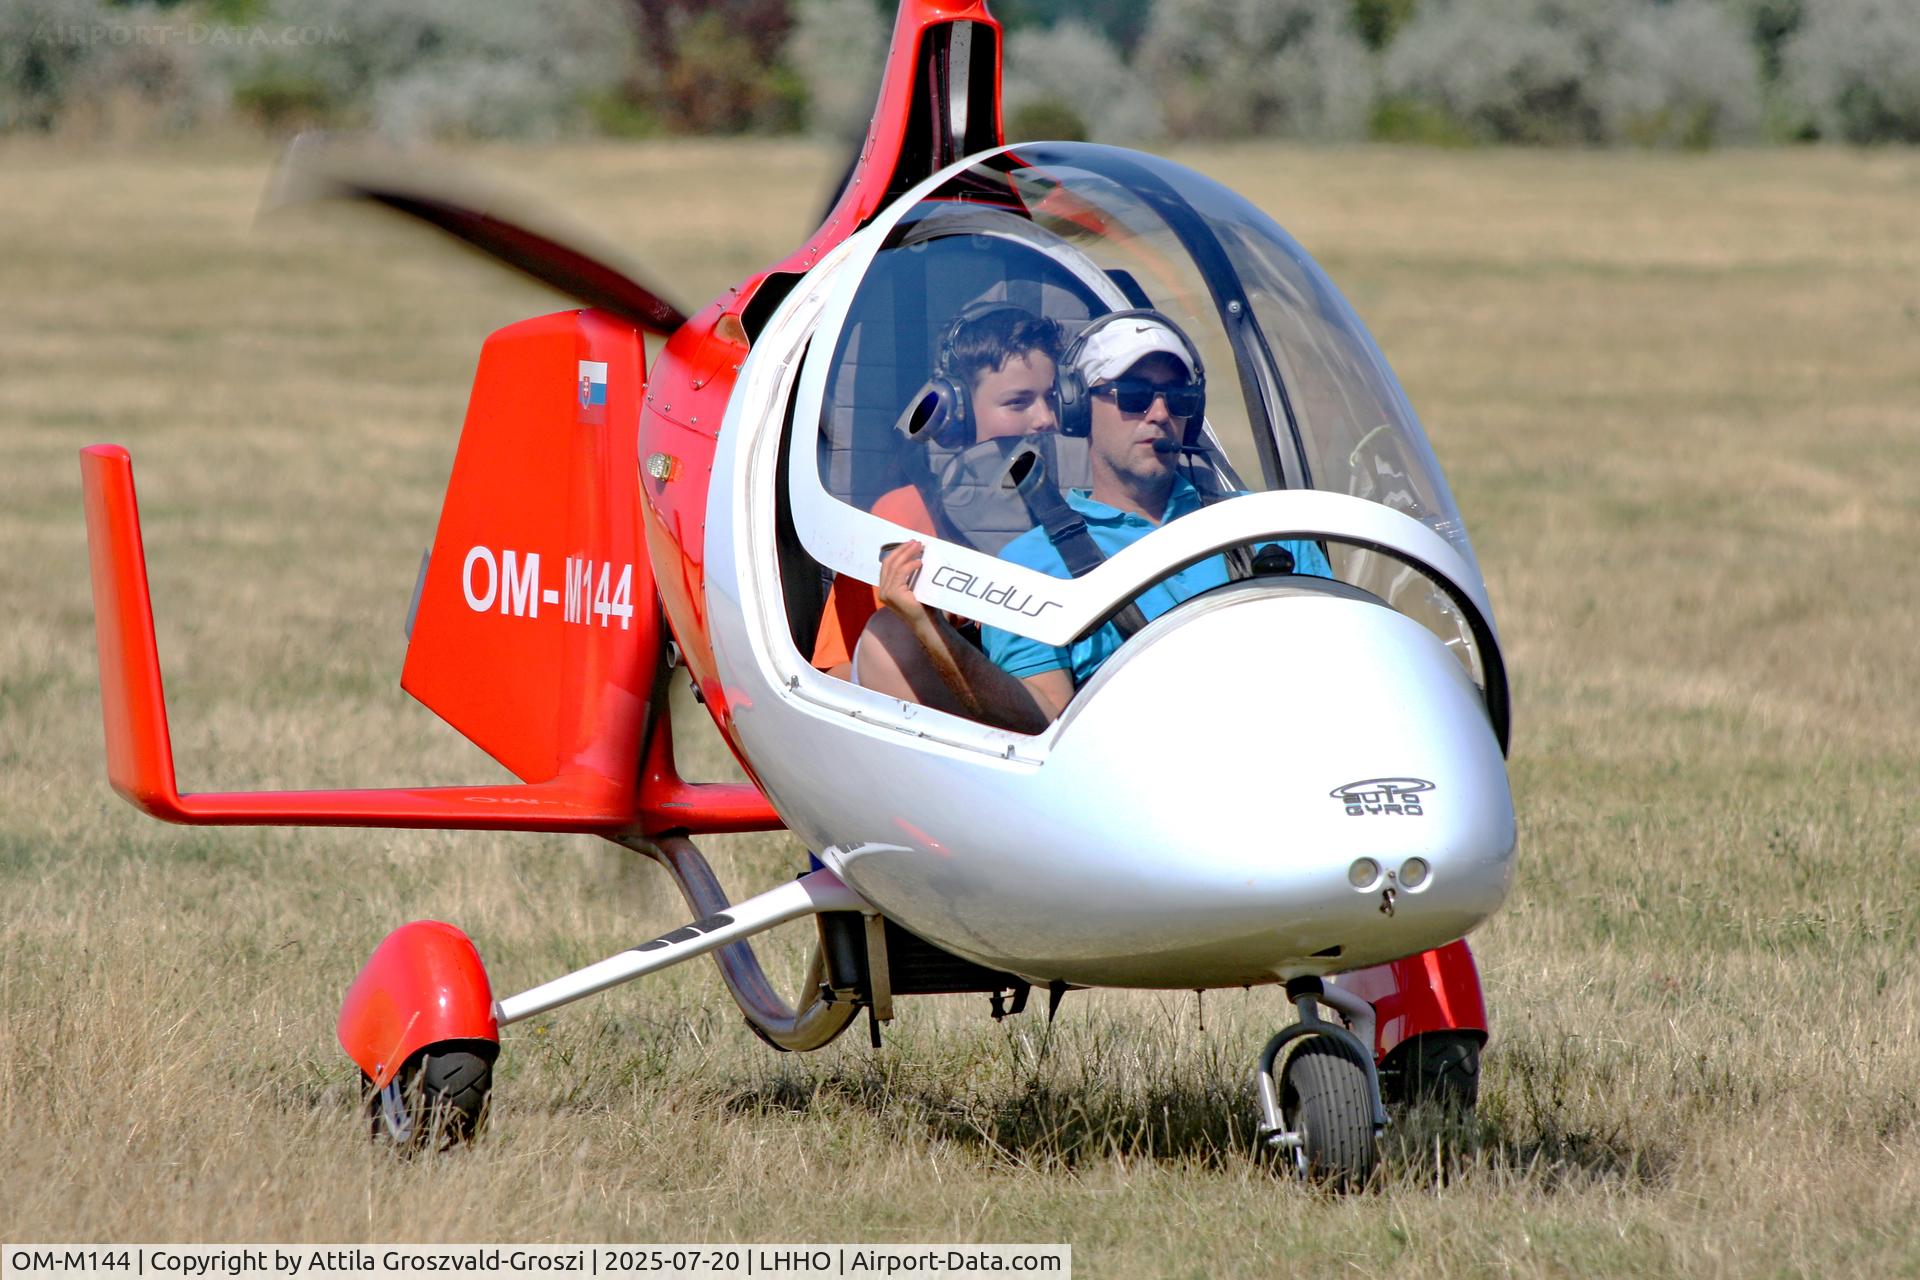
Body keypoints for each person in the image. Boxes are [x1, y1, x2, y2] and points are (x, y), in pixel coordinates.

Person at [857, 309, 1331, 732]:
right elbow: (1041, 722)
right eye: (1134, 395)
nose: (1161, 413)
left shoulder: (1266, 528)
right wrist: (929, 632)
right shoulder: (1030, 563)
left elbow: (1342, 662)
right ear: (1078, 409)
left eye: (1179, 397)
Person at [809, 303, 1065, 681]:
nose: (1046, 419)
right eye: (1018, 402)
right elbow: (838, 672)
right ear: (957, 412)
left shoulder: (1083, 505)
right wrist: (929, 636)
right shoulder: (902, 518)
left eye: (1053, 399)